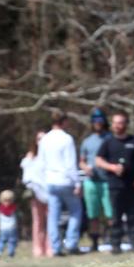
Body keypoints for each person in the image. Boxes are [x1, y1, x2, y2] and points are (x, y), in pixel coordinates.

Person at [94, 111, 134, 255]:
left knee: (132, 215)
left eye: (121, 122)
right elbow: (98, 160)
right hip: (115, 186)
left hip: (132, 185)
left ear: (126, 124)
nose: (118, 126)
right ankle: (115, 245)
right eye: (115, 123)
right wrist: (112, 167)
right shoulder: (108, 142)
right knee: (115, 217)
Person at [41, 109, 82, 256]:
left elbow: (42, 162)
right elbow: (71, 164)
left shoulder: (45, 139)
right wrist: (77, 183)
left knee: (53, 216)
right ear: (64, 121)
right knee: (75, 211)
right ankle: (71, 243)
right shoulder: (66, 139)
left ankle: (56, 247)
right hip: (65, 181)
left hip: (51, 181)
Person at [78, 107, 111, 251]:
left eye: (100, 120)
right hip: (91, 182)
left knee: (111, 213)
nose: (98, 123)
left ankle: (112, 238)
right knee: (93, 214)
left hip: (107, 181)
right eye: (95, 121)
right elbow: (81, 161)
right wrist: (85, 167)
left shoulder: (110, 139)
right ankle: (95, 241)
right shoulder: (87, 141)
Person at [20, 131, 50, 258]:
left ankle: (50, 247)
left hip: (50, 192)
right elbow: (26, 177)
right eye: (39, 139)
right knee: (38, 221)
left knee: (50, 221)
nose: (41, 141)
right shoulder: (31, 157)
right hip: (36, 192)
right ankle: (37, 248)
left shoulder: (51, 156)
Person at [0, 189, 19, 258]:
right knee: (12, 241)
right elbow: (11, 213)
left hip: (3, 229)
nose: (7, 202)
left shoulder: (0, 208)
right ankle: (11, 254)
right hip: (12, 228)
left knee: (2, 240)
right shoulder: (14, 207)